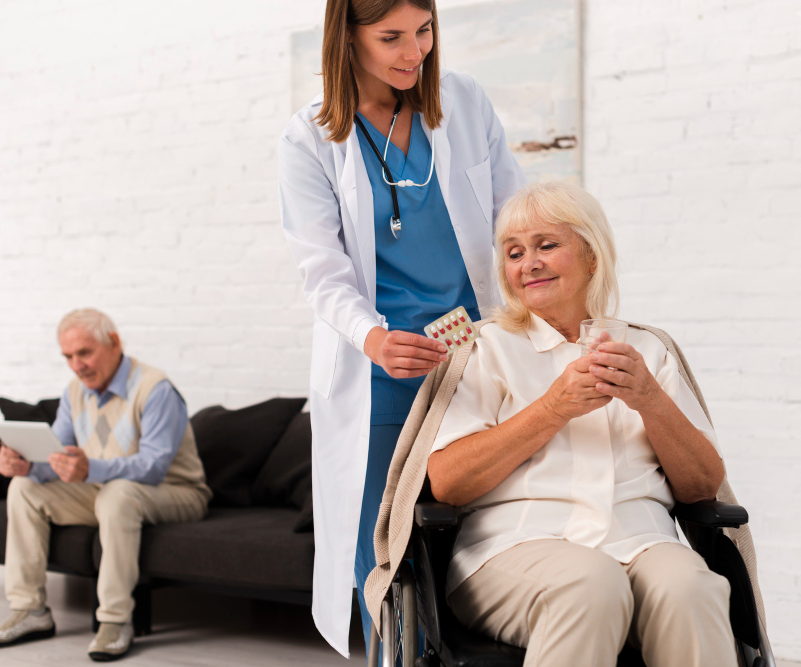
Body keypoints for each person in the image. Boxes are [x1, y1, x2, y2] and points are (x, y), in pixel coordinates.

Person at [277, 0, 525, 657]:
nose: (414, 51)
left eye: (424, 30)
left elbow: (513, 218)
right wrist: (374, 338)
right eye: (391, 37)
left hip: (475, 360)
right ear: (347, 37)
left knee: (482, 532)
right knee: (384, 554)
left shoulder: (464, 103)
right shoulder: (309, 140)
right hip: (379, 372)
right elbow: (323, 274)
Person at [425, 182, 735, 666]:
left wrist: (650, 399)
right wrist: (552, 408)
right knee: (591, 583)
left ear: (592, 255)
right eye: (513, 252)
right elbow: (447, 483)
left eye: (547, 245)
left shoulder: (650, 351)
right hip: (512, 545)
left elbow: (702, 485)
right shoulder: (484, 348)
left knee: (692, 588)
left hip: (641, 540)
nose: (528, 263)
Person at [0, 309, 211, 662]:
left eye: (84, 353)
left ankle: (115, 620)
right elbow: (57, 457)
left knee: (119, 495)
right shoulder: (74, 392)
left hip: (177, 491)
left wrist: (89, 469)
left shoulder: (155, 388)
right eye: (68, 356)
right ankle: (30, 611)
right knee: (24, 488)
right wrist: (28, 465)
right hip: (108, 491)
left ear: (113, 342)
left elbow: (154, 467)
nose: (77, 365)